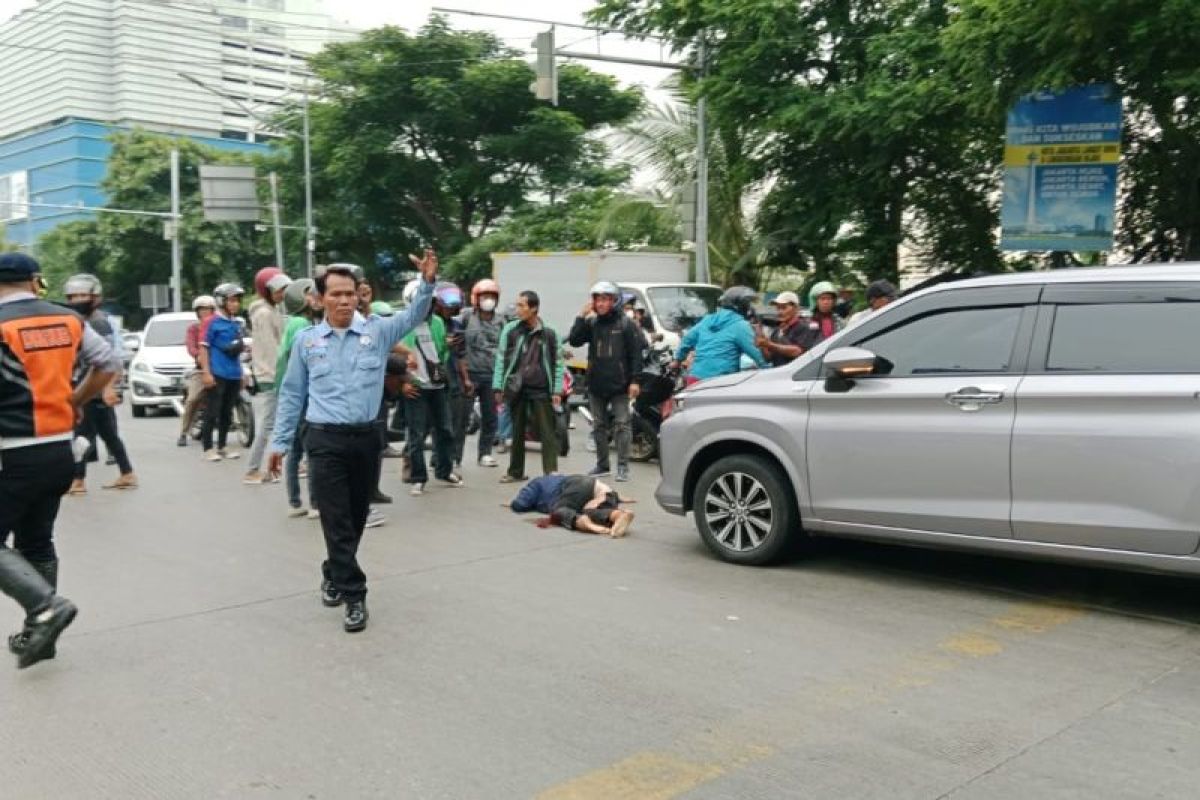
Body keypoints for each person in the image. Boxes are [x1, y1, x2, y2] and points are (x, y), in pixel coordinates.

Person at [267, 252, 439, 634]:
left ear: (358, 297)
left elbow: (413, 316)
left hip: (366, 438)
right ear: (320, 299)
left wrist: (427, 282)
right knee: (334, 517)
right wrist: (279, 444)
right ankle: (354, 594)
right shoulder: (308, 343)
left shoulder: (376, 333)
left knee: (357, 515)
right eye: (336, 294)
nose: (344, 301)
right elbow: (293, 394)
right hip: (323, 438)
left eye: (350, 294)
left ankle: (332, 569)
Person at [0, 253, 120, 668]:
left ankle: (45, 609)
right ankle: (42, 639)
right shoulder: (69, 320)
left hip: (10, 451)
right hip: (60, 448)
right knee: (36, 541)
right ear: (35, 282)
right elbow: (108, 363)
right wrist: (75, 400)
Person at [63, 273, 137, 494]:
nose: (78, 300)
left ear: (95, 297)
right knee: (107, 434)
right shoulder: (80, 321)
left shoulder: (97, 321)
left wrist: (108, 388)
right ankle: (127, 473)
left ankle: (78, 480)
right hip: (86, 386)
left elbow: (109, 358)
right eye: (73, 296)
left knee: (82, 436)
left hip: (92, 389)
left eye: (83, 295)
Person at [568, 281, 644, 482]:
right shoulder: (592, 323)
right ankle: (602, 464)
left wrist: (635, 380)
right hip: (596, 383)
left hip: (620, 383)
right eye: (597, 299)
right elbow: (575, 340)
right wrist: (580, 316)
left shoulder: (626, 324)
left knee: (622, 425)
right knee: (598, 426)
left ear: (614, 300)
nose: (600, 304)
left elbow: (637, 354)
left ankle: (623, 467)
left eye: (605, 299)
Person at [399, 280, 463, 497]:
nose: (429, 306)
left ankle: (444, 471)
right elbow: (394, 356)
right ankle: (418, 477)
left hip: (437, 386)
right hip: (415, 386)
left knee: (445, 429)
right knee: (416, 435)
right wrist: (404, 382)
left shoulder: (437, 322)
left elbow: (441, 352)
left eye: (431, 301)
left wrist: (448, 346)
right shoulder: (403, 323)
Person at [494, 291, 564, 484]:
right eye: (517, 305)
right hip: (517, 388)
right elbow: (501, 359)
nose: (518, 310)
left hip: (541, 389)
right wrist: (497, 387)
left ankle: (551, 473)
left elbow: (558, 363)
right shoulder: (511, 330)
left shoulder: (549, 333)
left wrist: (556, 390)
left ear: (533, 308)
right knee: (516, 431)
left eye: (522, 306)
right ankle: (515, 471)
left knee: (547, 432)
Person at [275, 277, 321, 518]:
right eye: (310, 294)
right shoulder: (301, 325)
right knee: (309, 448)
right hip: (303, 394)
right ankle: (314, 502)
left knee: (295, 450)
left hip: (294, 393)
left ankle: (295, 500)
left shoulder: (297, 322)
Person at [243, 267, 292, 485]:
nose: (283, 293)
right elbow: (271, 350)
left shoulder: (271, 310)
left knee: (274, 424)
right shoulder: (264, 314)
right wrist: (279, 376)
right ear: (266, 290)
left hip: (274, 375)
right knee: (267, 425)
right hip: (271, 376)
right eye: (279, 289)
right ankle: (252, 470)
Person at [672, 286, 767, 383]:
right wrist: (770, 371)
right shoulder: (740, 325)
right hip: (720, 383)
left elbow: (687, 339)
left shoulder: (707, 320)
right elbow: (757, 353)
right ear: (741, 305)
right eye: (747, 304)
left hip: (695, 380)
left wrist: (677, 360)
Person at [198, 282, 246, 461]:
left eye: (237, 301)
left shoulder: (236, 323)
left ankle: (223, 445)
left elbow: (237, 350)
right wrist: (206, 373)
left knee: (227, 412)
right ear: (221, 301)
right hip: (217, 372)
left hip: (233, 373)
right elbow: (203, 348)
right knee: (213, 411)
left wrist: (241, 374)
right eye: (231, 301)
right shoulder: (211, 322)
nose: (235, 304)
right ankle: (208, 447)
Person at [508, 473, 635, 538]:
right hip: (602, 490)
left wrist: (513, 503)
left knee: (560, 511)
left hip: (579, 485)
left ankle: (582, 522)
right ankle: (618, 515)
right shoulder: (556, 478)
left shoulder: (536, 483)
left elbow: (520, 504)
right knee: (591, 511)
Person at [463, 278, 505, 467]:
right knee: (461, 417)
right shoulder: (465, 317)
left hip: (491, 375)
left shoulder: (502, 321)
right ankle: (454, 456)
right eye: (484, 296)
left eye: (492, 296)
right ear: (476, 298)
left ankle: (485, 453)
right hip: (469, 374)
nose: (488, 300)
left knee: (490, 416)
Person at [433, 283, 472, 470]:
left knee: (457, 421)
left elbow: (462, 354)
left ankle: (454, 457)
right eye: (446, 307)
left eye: (452, 307)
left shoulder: (456, 325)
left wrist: (466, 379)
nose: (450, 310)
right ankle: (437, 458)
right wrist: (443, 344)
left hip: (454, 379)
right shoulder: (431, 324)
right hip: (435, 379)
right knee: (437, 422)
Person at [178, 295, 216, 447]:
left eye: (208, 309)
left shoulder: (218, 325)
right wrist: (198, 355)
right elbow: (191, 346)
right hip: (201, 370)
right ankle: (183, 432)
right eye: (202, 309)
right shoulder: (194, 329)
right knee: (193, 399)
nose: (205, 312)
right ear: (197, 312)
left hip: (220, 367)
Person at [757, 290, 807, 366]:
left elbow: (797, 352)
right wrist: (762, 342)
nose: (780, 312)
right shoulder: (777, 331)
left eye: (784, 308)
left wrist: (770, 345)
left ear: (796, 308)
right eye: (778, 308)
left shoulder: (804, 327)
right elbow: (768, 358)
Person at [800, 281, 844, 352]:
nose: (826, 302)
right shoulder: (806, 321)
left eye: (829, 299)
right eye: (822, 299)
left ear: (833, 301)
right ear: (816, 301)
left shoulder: (839, 321)